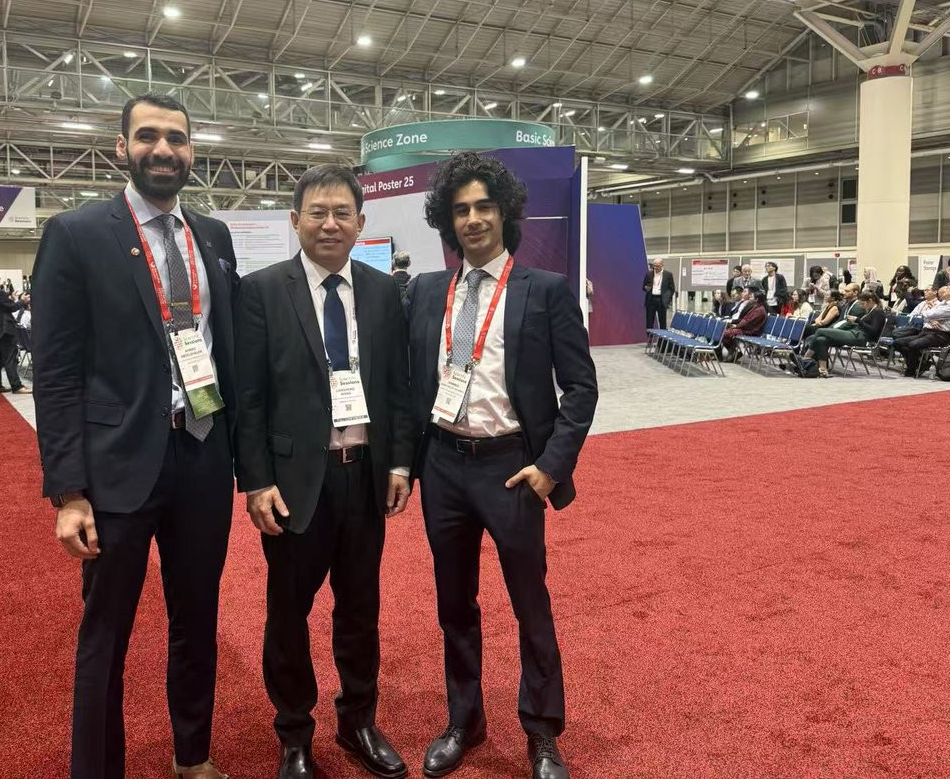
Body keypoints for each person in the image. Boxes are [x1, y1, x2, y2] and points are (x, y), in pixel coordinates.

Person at [33, 93, 239, 779]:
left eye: (176, 138)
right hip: (117, 466)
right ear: (121, 148)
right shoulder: (77, 233)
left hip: (202, 453)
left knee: (197, 620)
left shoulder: (213, 236)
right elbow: (56, 371)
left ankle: (193, 757)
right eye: (148, 136)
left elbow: (227, 347)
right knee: (106, 632)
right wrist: (68, 491)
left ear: (191, 151)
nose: (163, 149)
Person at [406, 152, 597, 779]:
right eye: (460, 209)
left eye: (484, 206)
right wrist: (407, 465)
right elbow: (408, 384)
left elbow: (581, 387)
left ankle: (541, 732)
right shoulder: (426, 292)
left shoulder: (545, 290)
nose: (473, 219)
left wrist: (550, 466)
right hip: (443, 465)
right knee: (454, 604)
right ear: (448, 220)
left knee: (529, 603)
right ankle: (464, 721)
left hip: (512, 469)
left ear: (505, 212)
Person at [234, 164, 412, 779]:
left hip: (363, 476)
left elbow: (398, 388)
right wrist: (257, 481)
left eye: (342, 213)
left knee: (360, 609)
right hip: (293, 485)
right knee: (288, 613)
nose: (330, 224)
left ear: (360, 223)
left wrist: (399, 462)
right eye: (318, 212)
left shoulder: (384, 292)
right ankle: (295, 734)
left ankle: (358, 721)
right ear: (295, 220)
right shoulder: (261, 291)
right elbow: (249, 398)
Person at [802, 291, 885, 378]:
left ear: (870, 301)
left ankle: (805, 360)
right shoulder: (871, 310)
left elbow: (873, 331)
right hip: (855, 334)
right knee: (821, 340)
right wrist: (855, 322)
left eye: (863, 304)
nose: (861, 306)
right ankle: (823, 370)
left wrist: (858, 320)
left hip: (862, 338)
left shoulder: (878, 312)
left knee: (820, 331)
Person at [0, 269, 30, 395]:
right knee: (10, 359)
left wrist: (12, 300)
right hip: (4, 330)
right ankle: (16, 386)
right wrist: (22, 301)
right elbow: (12, 307)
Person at [896, 285, 950, 377]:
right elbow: (926, 316)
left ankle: (912, 368)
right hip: (926, 331)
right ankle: (921, 363)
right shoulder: (943, 303)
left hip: (940, 335)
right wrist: (931, 318)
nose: (943, 291)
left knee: (913, 344)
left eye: (947, 289)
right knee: (898, 342)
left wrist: (929, 315)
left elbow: (928, 314)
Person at [641, 258, 675, 330]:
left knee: (662, 322)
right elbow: (643, 286)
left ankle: (662, 337)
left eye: (657, 266)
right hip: (651, 300)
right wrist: (646, 288)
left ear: (662, 265)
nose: (655, 267)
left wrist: (667, 299)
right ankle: (649, 336)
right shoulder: (649, 274)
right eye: (654, 266)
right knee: (649, 322)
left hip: (661, 300)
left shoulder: (668, 275)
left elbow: (672, 289)